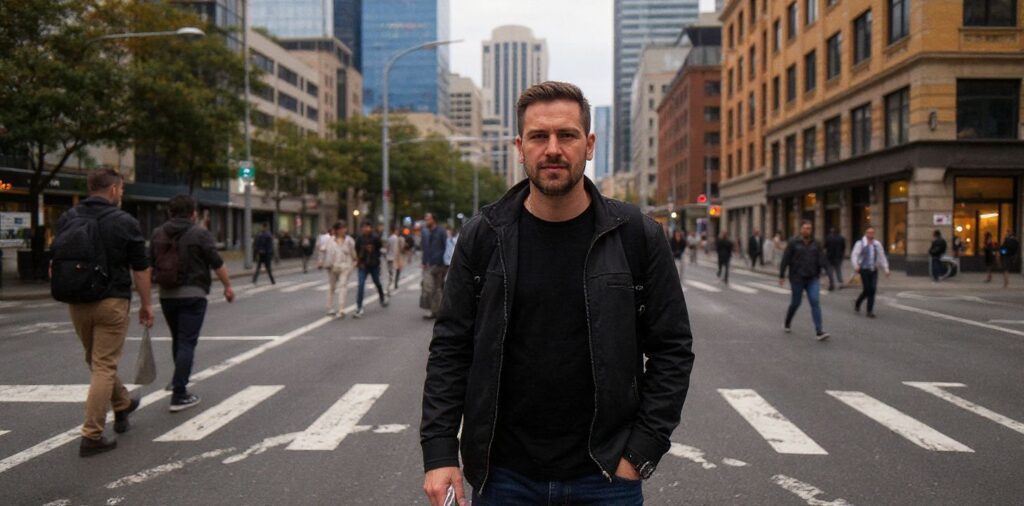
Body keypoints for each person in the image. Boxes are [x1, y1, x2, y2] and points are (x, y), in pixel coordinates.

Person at [421, 81, 694, 505]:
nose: (552, 148)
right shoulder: (483, 235)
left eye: (566, 135)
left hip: (605, 479)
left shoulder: (636, 235)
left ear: (589, 145)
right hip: (504, 478)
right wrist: (440, 452)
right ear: (520, 146)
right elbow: (451, 348)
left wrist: (640, 452)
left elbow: (673, 349)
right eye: (538, 136)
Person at [52, 168, 154, 457]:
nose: (121, 194)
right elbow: (141, 268)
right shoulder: (124, 221)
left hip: (77, 300)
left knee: (95, 360)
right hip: (111, 301)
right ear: (112, 190)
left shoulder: (68, 218)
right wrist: (147, 305)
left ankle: (121, 403)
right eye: (121, 189)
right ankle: (92, 434)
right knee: (104, 365)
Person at [149, 194, 235, 412]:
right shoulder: (200, 233)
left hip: (166, 294)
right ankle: (179, 393)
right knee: (187, 342)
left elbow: (148, 265)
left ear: (170, 212)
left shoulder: (158, 233)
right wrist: (228, 286)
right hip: (193, 293)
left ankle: (178, 378)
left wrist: (145, 299)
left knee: (178, 339)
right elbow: (216, 262)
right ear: (194, 213)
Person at [779, 221, 830, 340]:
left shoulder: (816, 244)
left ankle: (819, 331)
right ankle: (787, 321)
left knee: (815, 301)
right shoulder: (793, 243)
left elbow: (822, 259)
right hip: (797, 278)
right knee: (796, 303)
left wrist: (828, 275)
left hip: (812, 278)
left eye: (809, 228)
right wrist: (781, 276)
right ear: (801, 229)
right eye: (805, 228)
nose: (807, 230)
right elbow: (785, 259)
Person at [850, 226, 889, 318]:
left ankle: (869, 311)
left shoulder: (877, 244)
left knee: (873, 289)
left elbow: (881, 256)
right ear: (866, 233)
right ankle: (858, 302)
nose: (871, 234)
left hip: (874, 269)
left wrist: (886, 269)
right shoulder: (860, 244)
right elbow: (854, 255)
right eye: (869, 232)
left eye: (872, 232)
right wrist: (856, 266)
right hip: (863, 269)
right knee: (867, 289)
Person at [354, 220, 388, 318]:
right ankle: (359, 307)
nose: (366, 229)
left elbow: (379, 249)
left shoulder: (375, 238)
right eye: (364, 227)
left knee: (377, 282)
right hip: (363, 265)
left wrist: (377, 259)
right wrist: (359, 260)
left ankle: (382, 297)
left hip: (374, 265)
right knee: (361, 285)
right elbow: (356, 251)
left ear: (371, 228)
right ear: (361, 228)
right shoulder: (359, 239)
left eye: (367, 227)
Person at [324, 221, 357, 317]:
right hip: (332, 266)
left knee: (343, 287)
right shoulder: (330, 240)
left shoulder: (349, 240)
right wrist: (325, 263)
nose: (343, 230)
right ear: (337, 230)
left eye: (344, 228)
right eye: (341, 228)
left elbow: (353, 252)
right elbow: (326, 252)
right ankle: (330, 307)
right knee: (332, 287)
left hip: (345, 266)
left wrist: (354, 262)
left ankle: (341, 309)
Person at [420, 212, 447, 319]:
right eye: (425, 219)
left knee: (437, 288)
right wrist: (423, 261)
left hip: (439, 264)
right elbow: (424, 248)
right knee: (428, 287)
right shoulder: (425, 232)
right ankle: (435, 310)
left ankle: (437, 312)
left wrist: (446, 264)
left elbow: (446, 247)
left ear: (433, 220)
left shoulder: (441, 231)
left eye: (428, 219)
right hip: (429, 264)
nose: (426, 221)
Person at [385, 227, 406, 294]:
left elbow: (387, 248)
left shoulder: (389, 238)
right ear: (395, 231)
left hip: (389, 257)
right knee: (397, 271)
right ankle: (395, 284)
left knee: (390, 272)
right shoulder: (399, 239)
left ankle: (389, 286)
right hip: (396, 258)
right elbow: (402, 248)